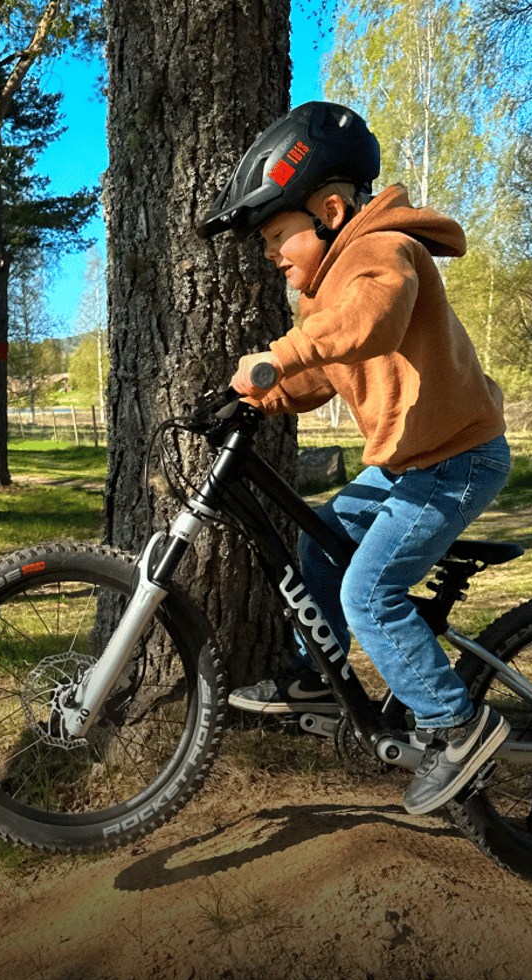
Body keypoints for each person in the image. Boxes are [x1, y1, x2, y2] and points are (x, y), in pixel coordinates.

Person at [196, 101, 511, 817]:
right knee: (321, 544)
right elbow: (315, 375)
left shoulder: (379, 250)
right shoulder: (323, 292)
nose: (274, 253)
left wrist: (281, 353)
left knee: (368, 594)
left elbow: (373, 320)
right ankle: (316, 677)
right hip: (408, 462)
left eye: (279, 234)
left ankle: (458, 728)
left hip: (454, 459)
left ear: (331, 210)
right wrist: (250, 398)